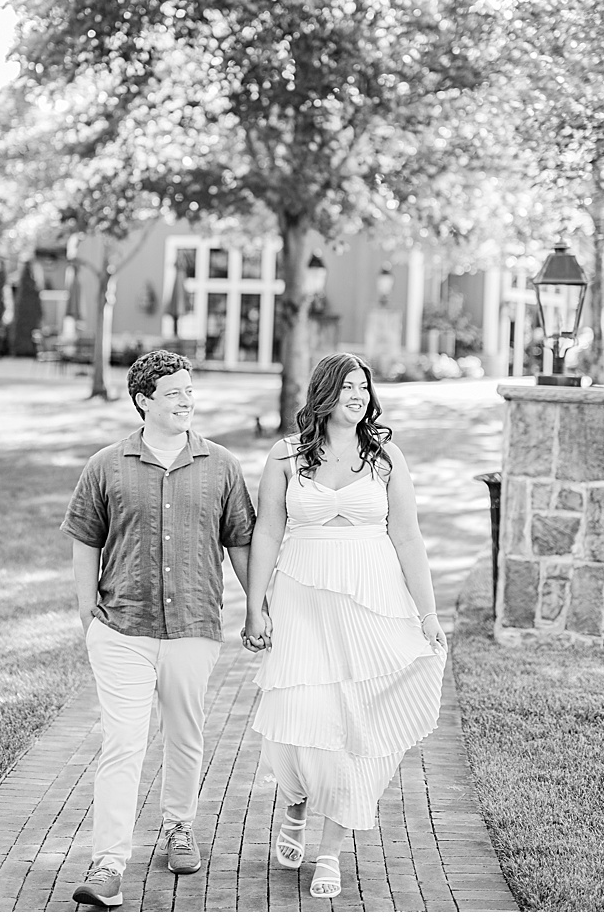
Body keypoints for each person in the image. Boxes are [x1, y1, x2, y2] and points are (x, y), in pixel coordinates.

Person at [243, 352, 446, 899]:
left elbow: (407, 538)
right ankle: (295, 804)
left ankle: (330, 849)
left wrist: (427, 613)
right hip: (302, 601)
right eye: (348, 387)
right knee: (299, 718)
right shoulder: (286, 456)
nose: (358, 396)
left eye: (364, 388)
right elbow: (266, 533)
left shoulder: (384, 458)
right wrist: (254, 605)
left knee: (354, 728)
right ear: (324, 393)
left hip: (371, 604)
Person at [62, 350, 256, 909]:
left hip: (194, 624)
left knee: (184, 735)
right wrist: (87, 616)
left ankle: (179, 827)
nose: (186, 401)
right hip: (122, 627)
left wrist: (258, 608)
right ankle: (107, 864)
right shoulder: (105, 464)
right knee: (123, 743)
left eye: (190, 391)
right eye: (173, 393)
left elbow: (240, 541)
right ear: (144, 400)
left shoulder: (220, 465)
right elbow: (84, 542)